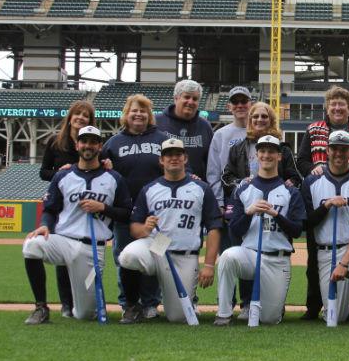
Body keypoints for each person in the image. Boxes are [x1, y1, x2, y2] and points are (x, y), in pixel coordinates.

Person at [22, 126, 133, 324]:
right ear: (77, 145)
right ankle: (41, 307)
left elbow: (126, 214)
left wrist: (103, 207)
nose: (88, 145)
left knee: (84, 315)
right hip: (64, 241)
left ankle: (86, 302)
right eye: (84, 141)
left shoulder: (114, 178)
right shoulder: (63, 176)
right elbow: (50, 208)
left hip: (92, 249)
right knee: (31, 245)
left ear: (100, 146)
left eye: (93, 142)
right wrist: (46, 225)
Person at [118, 138, 222, 324]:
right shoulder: (150, 189)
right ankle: (133, 306)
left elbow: (214, 227)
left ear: (185, 158)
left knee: (178, 317)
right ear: (161, 160)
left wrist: (208, 265)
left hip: (185, 253)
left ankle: (184, 301)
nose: (173, 158)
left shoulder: (201, 188)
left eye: (178, 155)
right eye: (168, 155)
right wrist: (145, 228)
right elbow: (134, 228)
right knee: (128, 256)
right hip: (159, 245)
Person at [297, 86, 349, 320]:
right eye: (333, 103)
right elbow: (301, 160)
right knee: (314, 258)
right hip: (319, 192)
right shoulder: (313, 129)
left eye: (342, 104)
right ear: (327, 107)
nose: (337, 107)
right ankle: (314, 306)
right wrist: (314, 170)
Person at [221, 101, 300, 320]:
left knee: (270, 317)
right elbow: (226, 177)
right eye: (255, 116)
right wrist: (242, 185)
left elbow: (294, 176)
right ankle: (240, 305)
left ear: (271, 119)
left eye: (264, 116)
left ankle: (270, 304)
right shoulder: (239, 146)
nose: (259, 120)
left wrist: (283, 189)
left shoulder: (282, 147)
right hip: (247, 202)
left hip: (277, 200)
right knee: (241, 250)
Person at [101, 94, 167, 318]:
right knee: (124, 258)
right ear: (126, 115)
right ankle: (129, 303)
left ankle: (150, 303)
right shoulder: (113, 143)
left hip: (158, 214)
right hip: (126, 214)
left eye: (143, 111)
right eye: (134, 111)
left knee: (157, 256)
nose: (138, 114)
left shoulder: (162, 139)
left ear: (150, 115)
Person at [38, 99, 96, 319]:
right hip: (65, 203)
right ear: (70, 117)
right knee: (63, 258)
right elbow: (43, 172)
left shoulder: (92, 141)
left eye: (85, 116)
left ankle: (86, 299)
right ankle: (66, 304)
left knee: (88, 255)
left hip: (87, 203)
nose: (80, 118)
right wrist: (60, 172)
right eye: (77, 114)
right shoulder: (56, 141)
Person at [207, 86, 253, 217]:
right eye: (235, 102)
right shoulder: (220, 135)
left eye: (243, 101)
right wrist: (219, 201)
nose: (239, 105)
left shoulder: (259, 132)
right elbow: (213, 172)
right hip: (230, 196)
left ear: (251, 104)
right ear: (229, 106)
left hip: (257, 194)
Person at [155, 79, 213, 179]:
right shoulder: (157, 122)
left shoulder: (205, 126)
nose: (190, 102)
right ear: (176, 98)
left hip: (196, 188)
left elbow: (211, 162)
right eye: (186, 97)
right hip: (163, 187)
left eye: (195, 99)